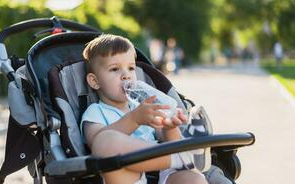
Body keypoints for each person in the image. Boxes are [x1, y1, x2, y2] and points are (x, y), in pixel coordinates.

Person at [80, 34, 232, 184]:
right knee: (104, 141)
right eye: (114, 69)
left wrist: (169, 126)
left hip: (163, 173)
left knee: (194, 179)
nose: (126, 75)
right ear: (94, 81)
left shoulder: (142, 106)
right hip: (128, 178)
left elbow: (164, 139)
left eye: (131, 68)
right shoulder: (95, 112)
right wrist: (134, 119)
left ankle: (186, 155)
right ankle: (184, 157)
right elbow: (95, 144)